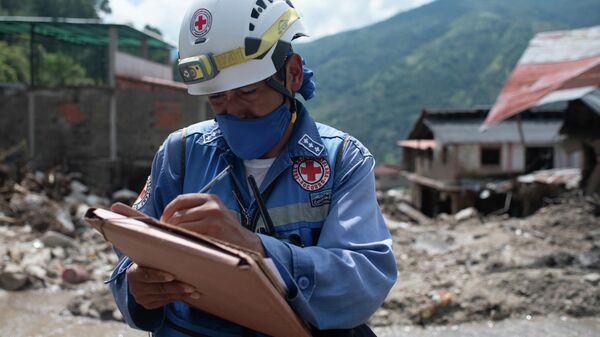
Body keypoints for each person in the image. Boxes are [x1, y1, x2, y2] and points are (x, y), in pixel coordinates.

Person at [108, 0, 397, 336]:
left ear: (291, 73)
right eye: (217, 98)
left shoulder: (342, 160)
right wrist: (137, 289)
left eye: (247, 92)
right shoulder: (181, 153)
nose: (232, 111)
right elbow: (129, 262)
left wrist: (255, 248)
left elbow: (362, 281)